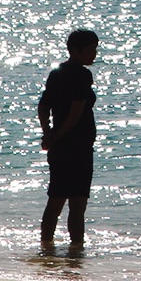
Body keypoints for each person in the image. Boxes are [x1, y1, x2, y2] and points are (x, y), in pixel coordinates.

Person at [38, 29, 99, 253]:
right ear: (76, 50)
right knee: (77, 203)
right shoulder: (82, 75)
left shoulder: (56, 73)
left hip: (60, 146)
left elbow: (43, 107)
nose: (94, 54)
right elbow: (75, 113)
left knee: (55, 200)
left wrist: (49, 134)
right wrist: (56, 136)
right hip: (78, 147)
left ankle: (46, 248)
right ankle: (76, 252)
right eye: (91, 49)